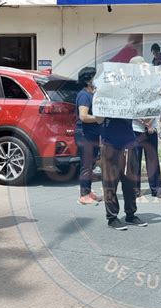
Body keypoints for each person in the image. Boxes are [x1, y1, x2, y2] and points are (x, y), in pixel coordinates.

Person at [98, 60, 148, 231]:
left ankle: (131, 214)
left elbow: (144, 115)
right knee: (110, 181)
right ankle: (112, 217)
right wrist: (101, 103)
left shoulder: (133, 91)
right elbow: (98, 118)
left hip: (128, 141)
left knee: (130, 180)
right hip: (110, 142)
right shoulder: (108, 89)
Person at [129, 58, 161, 199]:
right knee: (135, 160)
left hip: (151, 128)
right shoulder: (129, 85)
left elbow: (158, 104)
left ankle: (156, 188)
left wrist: (150, 123)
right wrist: (145, 123)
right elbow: (130, 107)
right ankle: (135, 189)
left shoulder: (154, 82)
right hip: (136, 127)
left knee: (152, 159)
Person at [74, 67, 103, 205]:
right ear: (87, 80)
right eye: (94, 77)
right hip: (84, 134)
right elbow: (83, 116)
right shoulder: (84, 95)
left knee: (90, 164)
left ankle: (88, 190)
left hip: (93, 134)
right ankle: (83, 195)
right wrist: (98, 119)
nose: (96, 80)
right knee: (86, 165)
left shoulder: (94, 94)